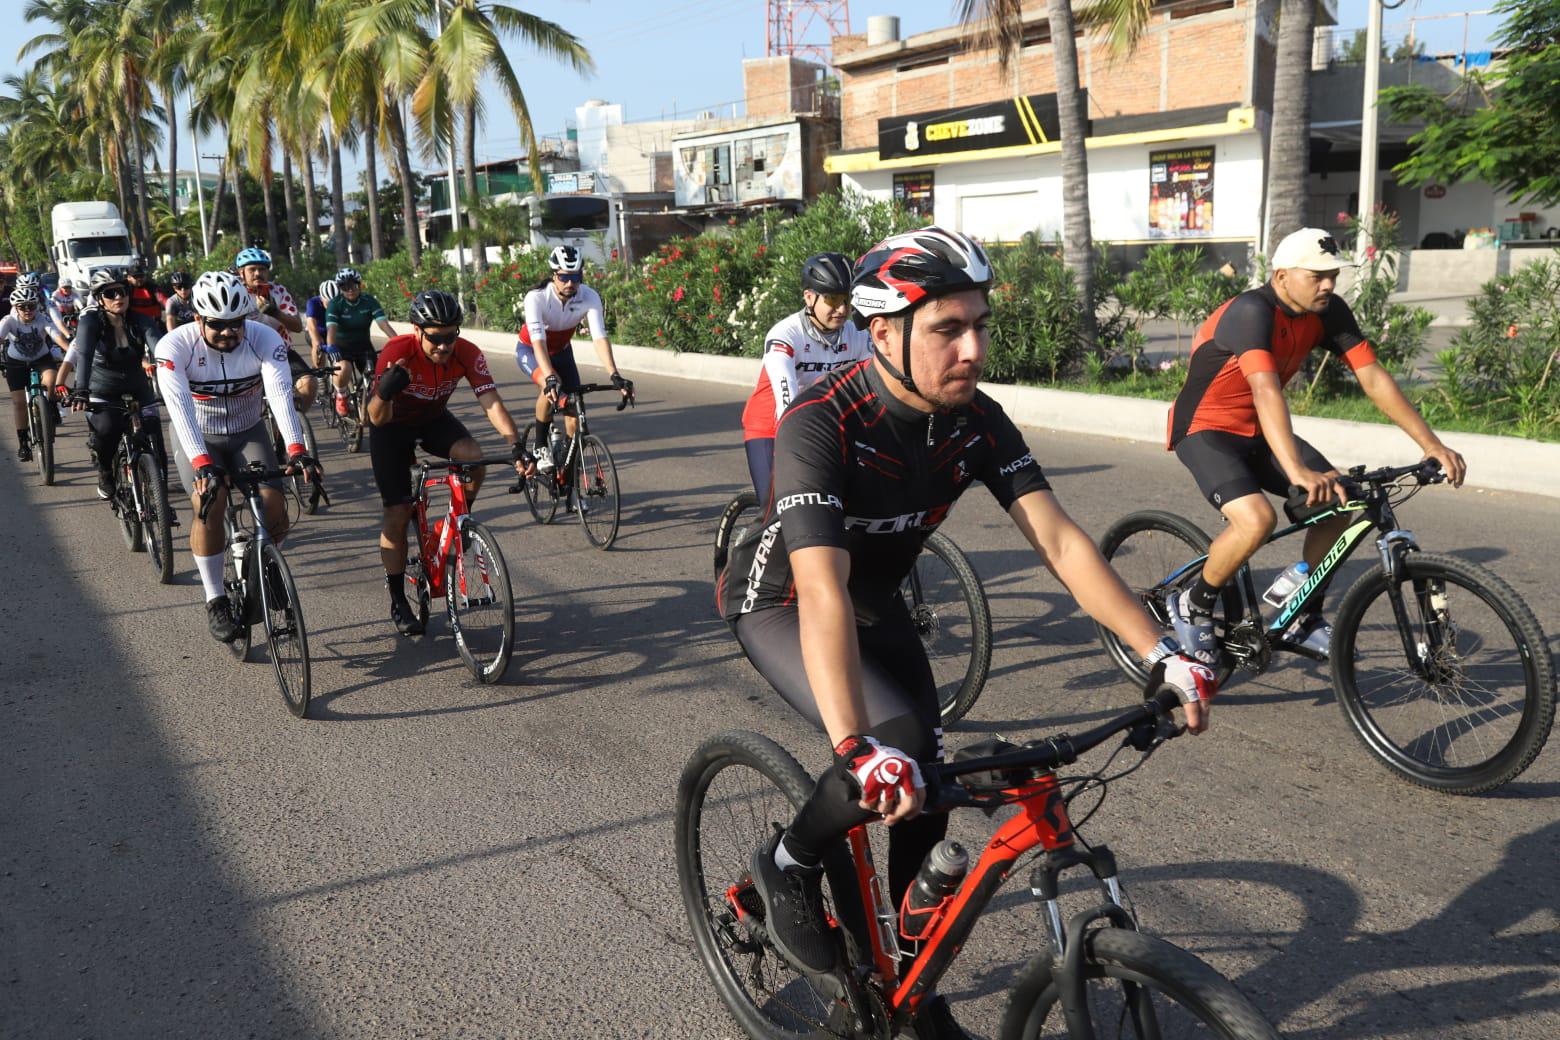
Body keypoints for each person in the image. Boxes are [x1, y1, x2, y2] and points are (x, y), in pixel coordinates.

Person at [714, 227, 1217, 1038]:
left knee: (928, 790)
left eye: (979, 323)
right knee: (892, 743)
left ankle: (916, 980)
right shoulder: (822, 422)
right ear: (882, 333)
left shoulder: (977, 420)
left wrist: (1163, 653)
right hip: (784, 601)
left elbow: (1059, 542)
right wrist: (855, 745)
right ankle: (787, 863)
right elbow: (819, 586)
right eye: (948, 329)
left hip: (871, 601)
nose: (974, 347)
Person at [1164, 227, 1467, 662]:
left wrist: (1431, 444)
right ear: (1282, 275)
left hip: (1261, 430)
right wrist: (1297, 471)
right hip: (1206, 428)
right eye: (1316, 276)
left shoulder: (1329, 311)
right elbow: (1266, 389)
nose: (1328, 285)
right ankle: (1193, 602)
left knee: (1339, 501)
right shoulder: (1252, 311)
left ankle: (1304, 614)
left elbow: (1372, 377)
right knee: (1255, 520)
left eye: (1333, 275)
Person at [155, 271, 320, 644]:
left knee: (274, 502)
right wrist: (201, 462)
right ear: (198, 319)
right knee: (209, 503)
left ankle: (269, 568)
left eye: (236, 324)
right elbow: (178, 408)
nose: (229, 333)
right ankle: (215, 598)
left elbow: (279, 394)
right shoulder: (175, 346)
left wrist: (297, 449)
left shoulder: (262, 338)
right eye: (218, 326)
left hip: (248, 430)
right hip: (198, 434)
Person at [367, 290, 532, 637]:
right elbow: (375, 417)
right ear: (416, 330)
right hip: (391, 425)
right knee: (397, 513)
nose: (444, 346)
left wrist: (516, 446)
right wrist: (384, 391)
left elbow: (491, 403)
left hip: (432, 419)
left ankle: (462, 519)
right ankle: (398, 598)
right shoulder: (398, 352)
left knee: (473, 455)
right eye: (435, 338)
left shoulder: (467, 353)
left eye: (451, 336)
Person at [739, 252, 870, 502]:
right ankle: (759, 537)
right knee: (779, 507)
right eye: (832, 299)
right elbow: (786, 400)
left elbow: (875, 386)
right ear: (809, 298)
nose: (842, 309)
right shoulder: (786, 335)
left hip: (823, 418)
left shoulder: (857, 335)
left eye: (847, 299)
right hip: (770, 424)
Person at [515, 245, 631, 471]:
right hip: (530, 350)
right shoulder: (536, 298)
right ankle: (540, 446)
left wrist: (614, 374)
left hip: (561, 352)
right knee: (551, 387)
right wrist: (548, 377)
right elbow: (538, 342)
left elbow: (599, 338)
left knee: (575, 411)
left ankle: (569, 468)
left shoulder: (589, 296)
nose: (570, 283)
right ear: (553, 275)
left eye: (576, 276)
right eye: (564, 277)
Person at [57, 269, 168, 500]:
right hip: (102, 389)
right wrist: (80, 390)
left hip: (138, 387)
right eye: (111, 293)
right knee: (107, 430)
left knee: (154, 432)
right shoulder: (90, 322)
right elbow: (84, 355)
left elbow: (162, 352)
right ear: (99, 299)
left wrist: (176, 380)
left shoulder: (141, 320)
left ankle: (161, 493)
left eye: (123, 291)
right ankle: (106, 472)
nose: (119, 297)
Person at [232, 247, 316, 411]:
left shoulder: (279, 291)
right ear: (241, 272)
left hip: (279, 350)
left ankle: (296, 423)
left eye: (262, 269)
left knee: (309, 384)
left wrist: (276, 313)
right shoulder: (235, 293)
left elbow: (297, 326)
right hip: (245, 354)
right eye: (252, 269)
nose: (257, 273)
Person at [2, 284, 70, 461]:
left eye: (31, 305)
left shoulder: (42, 318)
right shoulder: (8, 321)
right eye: (22, 306)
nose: (27, 310)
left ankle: (50, 405)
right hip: (16, 362)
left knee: (51, 379)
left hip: (41, 358)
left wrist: (71, 352)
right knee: (19, 403)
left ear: (36, 306)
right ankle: (23, 443)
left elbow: (56, 336)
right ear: (16, 308)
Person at [324, 267, 395, 416]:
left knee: (378, 377)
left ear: (359, 285)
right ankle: (341, 395)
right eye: (345, 286)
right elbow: (331, 329)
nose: (350, 290)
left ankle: (369, 403)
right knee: (344, 368)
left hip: (363, 346)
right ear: (340, 288)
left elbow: (383, 324)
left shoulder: (368, 301)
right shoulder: (335, 304)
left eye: (354, 285)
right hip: (342, 347)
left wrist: (397, 342)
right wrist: (331, 346)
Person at [304, 277, 339, 371]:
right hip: (317, 331)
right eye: (328, 303)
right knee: (317, 343)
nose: (332, 307)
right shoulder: (313, 303)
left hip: (332, 331)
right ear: (322, 298)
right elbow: (312, 326)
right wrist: (319, 345)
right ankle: (320, 374)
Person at [124, 258, 165, 325]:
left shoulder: (152, 287)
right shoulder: (126, 289)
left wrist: (169, 305)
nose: (139, 278)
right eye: (136, 276)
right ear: (129, 277)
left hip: (154, 323)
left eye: (141, 276)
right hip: (134, 324)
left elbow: (162, 298)